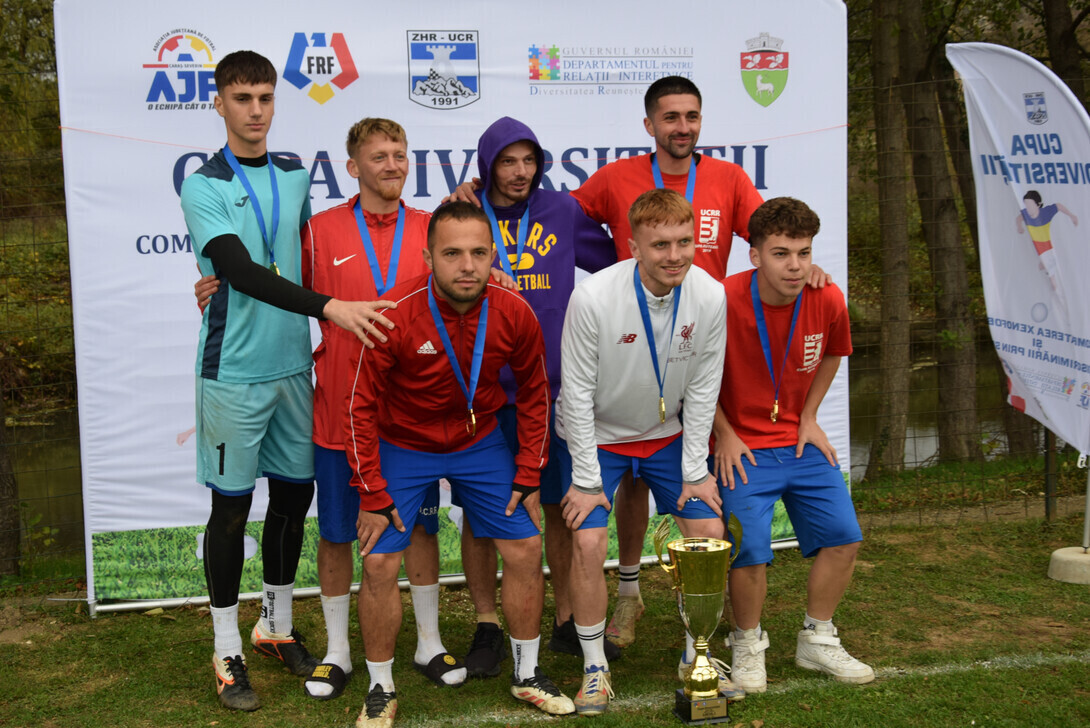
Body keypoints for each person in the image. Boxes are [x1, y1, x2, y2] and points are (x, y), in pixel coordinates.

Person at [180, 51, 391, 712]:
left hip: (296, 369)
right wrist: (330, 309)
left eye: (265, 97)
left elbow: (310, 254)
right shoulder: (203, 184)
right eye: (242, 98)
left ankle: (273, 625)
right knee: (231, 509)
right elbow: (242, 270)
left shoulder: (296, 174)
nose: (255, 110)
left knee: (294, 499)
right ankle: (225, 649)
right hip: (234, 375)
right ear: (219, 103)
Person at [346, 201, 574, 727]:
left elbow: (535, 391)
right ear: (429, 257)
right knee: (378, 561)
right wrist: (371, 491)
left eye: (478, 253)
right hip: (405, 443)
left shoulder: (514, 310)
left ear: (494, 255)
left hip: (479, 441)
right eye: (452, 254)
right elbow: (359, 405)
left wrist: (529, 472)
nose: (467, 266)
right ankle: (380, 687)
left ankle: (527, 672)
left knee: (525, 546)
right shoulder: (396, 312)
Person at [446, 117, 617, 679]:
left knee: (562, 508)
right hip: (485, 392)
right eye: (507, 161)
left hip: (557, 390)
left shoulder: (561, 211)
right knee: (483, 513)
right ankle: (487, 624)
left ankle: (567, 617)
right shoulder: (466, 215)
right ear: (487, 164)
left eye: (528, 160)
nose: (519, 172)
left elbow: (618, 263)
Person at [554, 188, 732, 715]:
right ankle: (594, 668)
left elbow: (704, 386)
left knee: (709, 530)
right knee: (588, 542)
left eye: (684, 242)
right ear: (633, 247)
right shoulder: (593, 297)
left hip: (664, 433)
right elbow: (576, 394)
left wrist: (695, 470)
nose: (675, 256)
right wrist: (587, 481)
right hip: (597, 434)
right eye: (660, 245)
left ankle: (695, 656)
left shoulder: (710, 295)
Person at [713, 197, 873, 693]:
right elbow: (690, 375)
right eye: (781, 253)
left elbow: (835, 353)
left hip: (799, 443)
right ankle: (746, 642)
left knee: (844, 537)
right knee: (749, 550)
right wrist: (724, 433)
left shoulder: (827, 297)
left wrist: (809, 416)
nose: (795, 266)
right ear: (755, 255)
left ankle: (817, 638)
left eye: (804, 253)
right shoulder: (722, 298)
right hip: (741, 447)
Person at [1014, 189, 1078, 302]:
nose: (1028, 208)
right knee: (1042, 268)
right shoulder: (1026, 214)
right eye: (1026, 205)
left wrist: (1072, 216)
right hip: (1038, 249)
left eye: (1030, 205)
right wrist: (1019, 226)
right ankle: (1052, 292)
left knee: (1050, 275)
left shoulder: (1045, 213)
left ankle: (1059, 296)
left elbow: (1058, 206)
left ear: (1038, 205)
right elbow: (1019, 218)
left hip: (1047, 249)